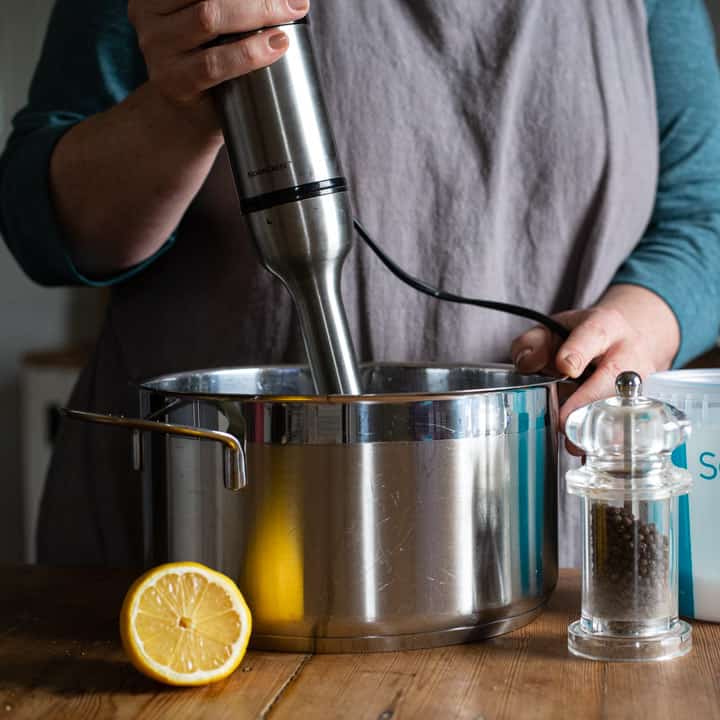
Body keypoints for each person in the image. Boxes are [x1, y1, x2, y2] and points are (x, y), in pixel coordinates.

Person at [1, 0, 719, 567]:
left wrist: (643, 322)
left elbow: (707, 214)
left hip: (530, 546)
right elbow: (46, 234)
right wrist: (177, 105)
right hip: (203, 536)